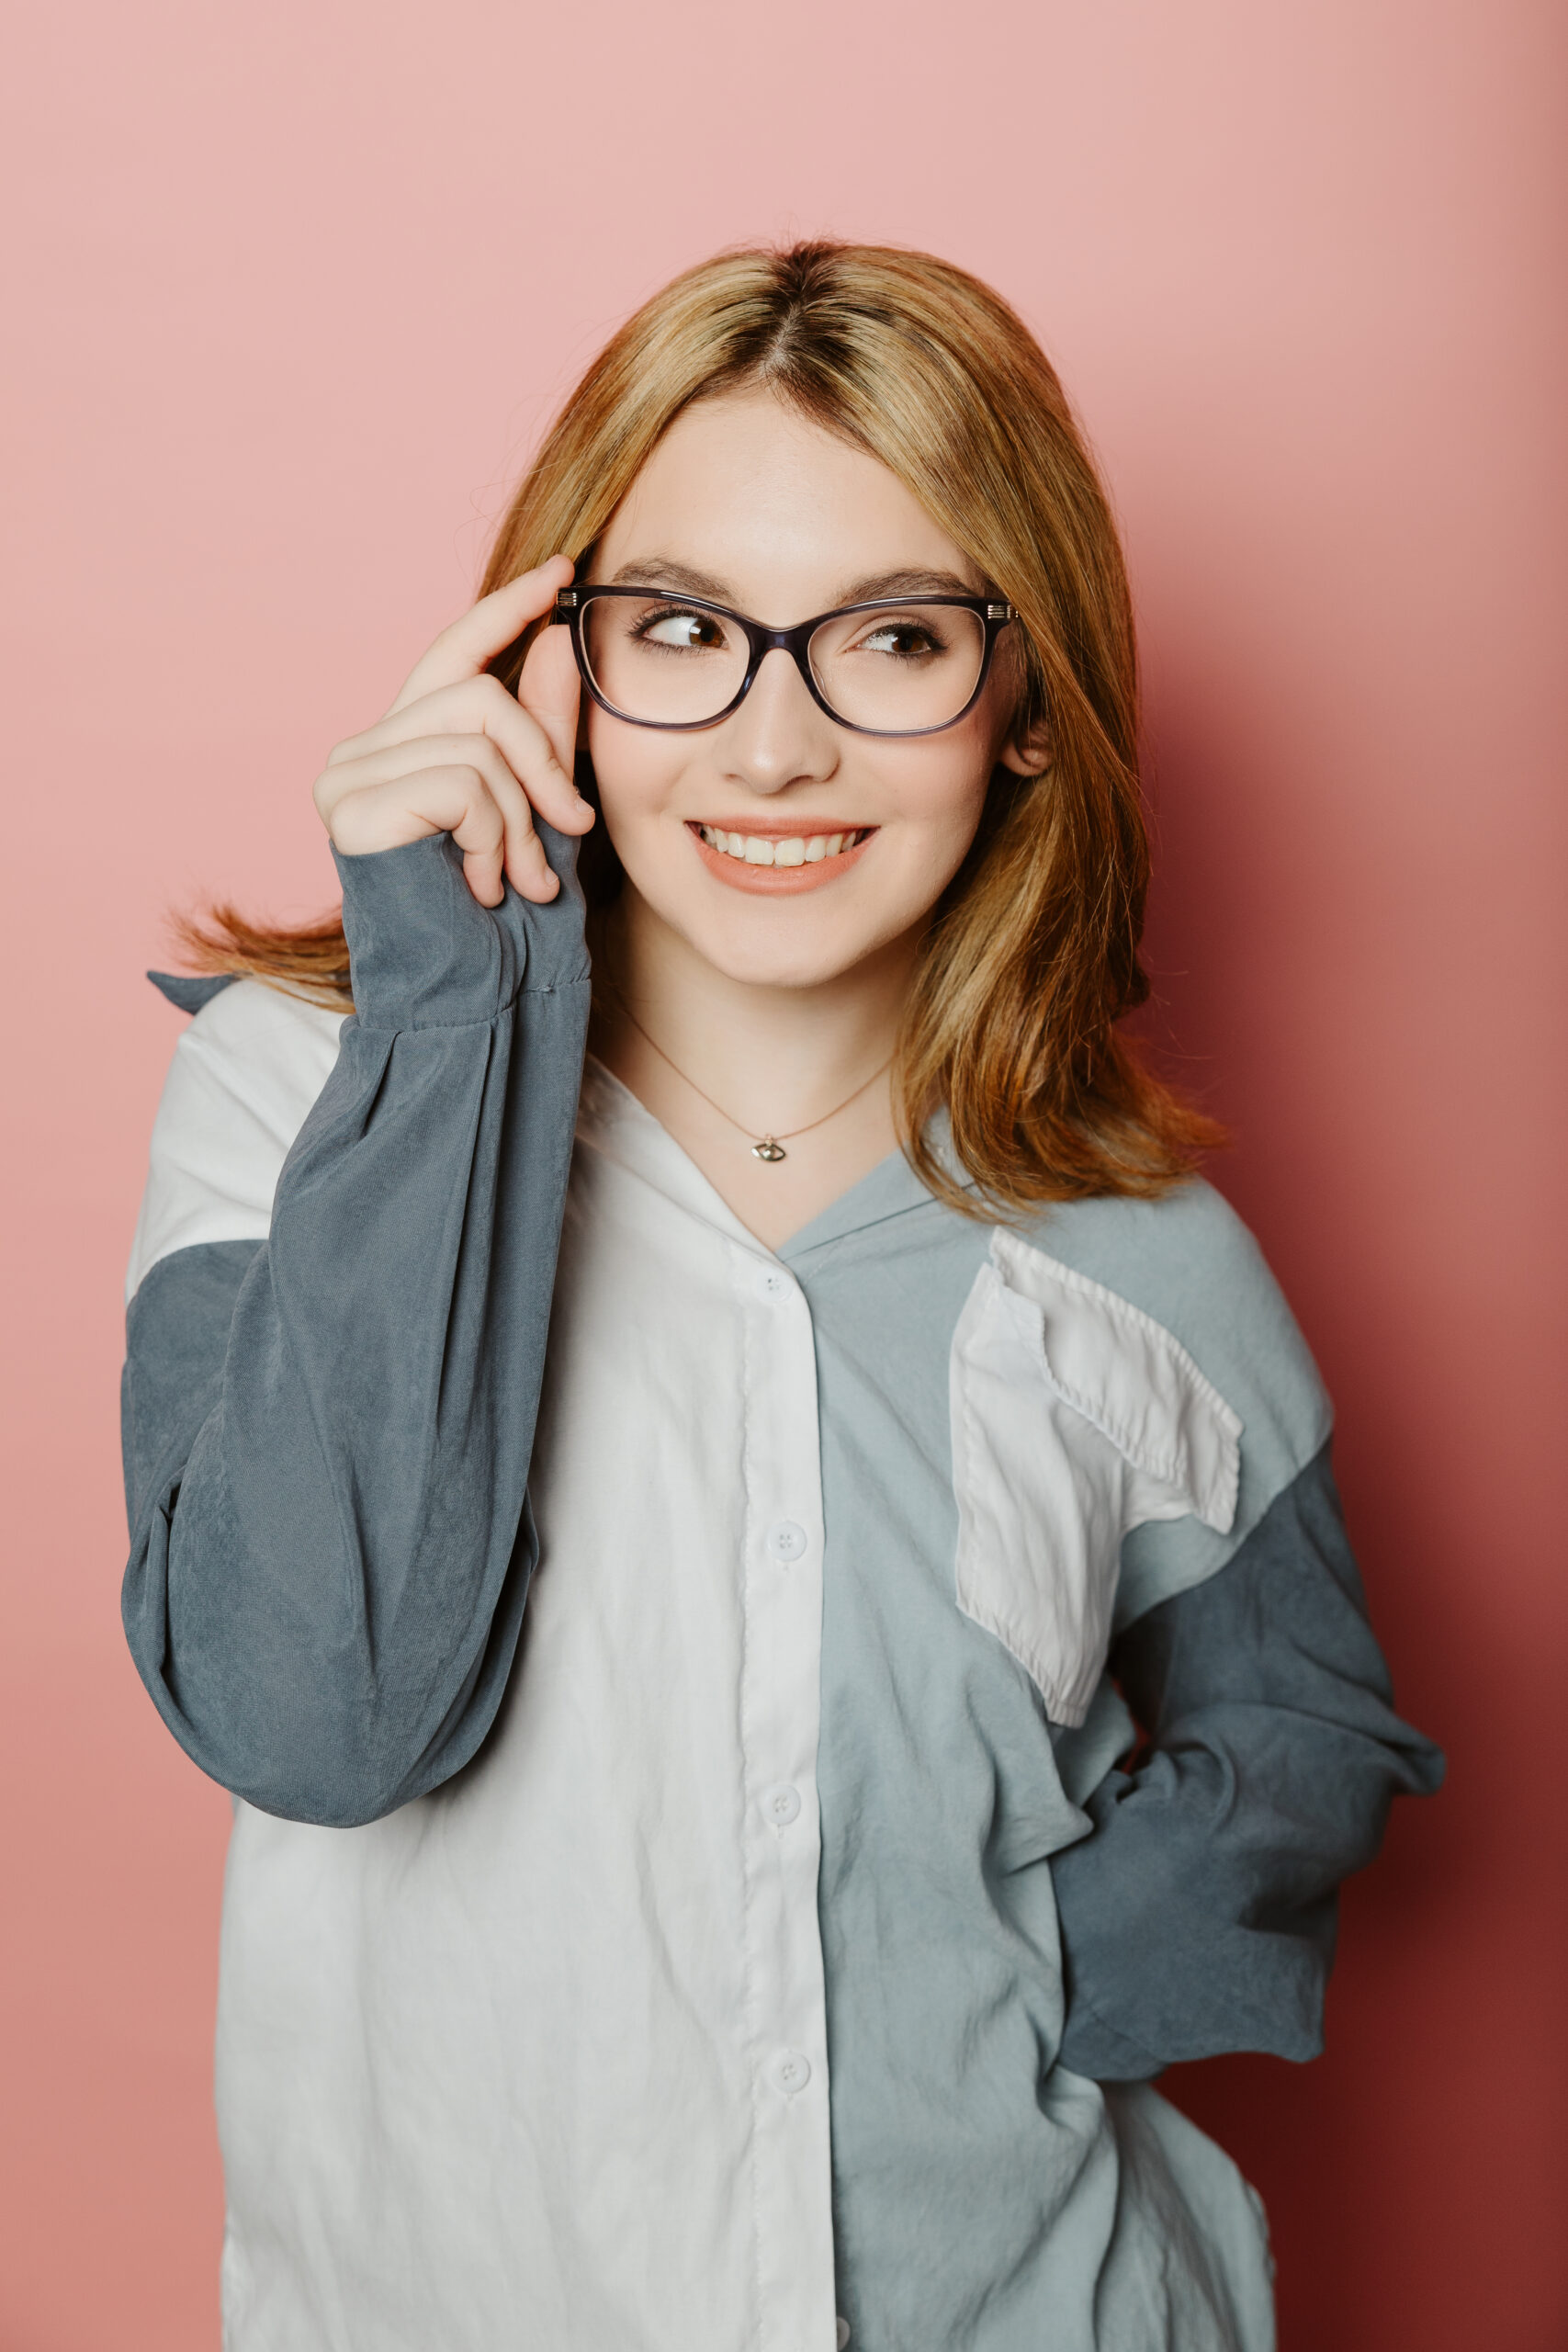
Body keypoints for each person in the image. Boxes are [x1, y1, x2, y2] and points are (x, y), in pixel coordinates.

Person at [120, 242, 1441, 2352]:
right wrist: (454, 1005)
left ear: (1022, 708)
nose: (773, 744)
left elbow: (1304, 1728)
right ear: (547, 660)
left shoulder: (1133, 1243)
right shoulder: (305, 1093)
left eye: (893, 638)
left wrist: (1016, 1984)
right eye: (683, 633)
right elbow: (315, 1712)